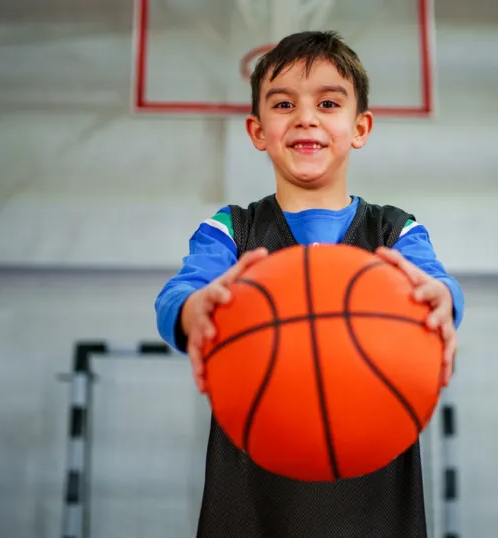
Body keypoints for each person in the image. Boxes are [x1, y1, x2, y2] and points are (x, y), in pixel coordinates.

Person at [154, 30, 465, 538]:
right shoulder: (232, 230)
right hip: (252, 492)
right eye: (283, 104)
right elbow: (180, 295)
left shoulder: (394, 230)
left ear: (360, 126)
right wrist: (193, 310)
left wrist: (443, 301)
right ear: (257, 130)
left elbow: (437, 284)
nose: (306, 117)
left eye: (327, 102)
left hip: (374, 490)